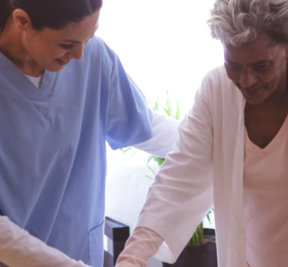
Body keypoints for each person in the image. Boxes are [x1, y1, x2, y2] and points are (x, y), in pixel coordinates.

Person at [115, 0, 288, 266]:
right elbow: (177, 179)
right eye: (233, 65)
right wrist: (133, 257)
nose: (246, 80)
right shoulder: (216, 91)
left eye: (261, 66)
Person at [0, 0, 178, 266]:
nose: (80, 55)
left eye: (89, 37)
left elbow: (146, 126)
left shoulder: (94, 58)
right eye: (66, 44)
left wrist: (227, 144)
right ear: (22, 21)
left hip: (78, 249)